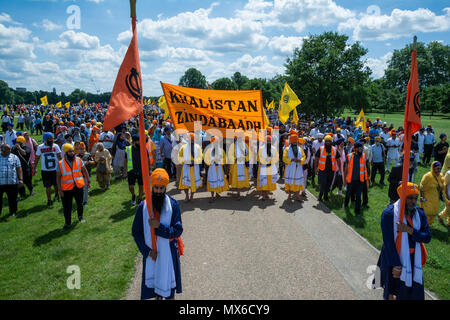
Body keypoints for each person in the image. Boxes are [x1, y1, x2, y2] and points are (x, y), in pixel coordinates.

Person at [131, 168, 183, 300]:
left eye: (162, 188)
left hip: (169, 253)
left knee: (169, 290)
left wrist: (159, 227)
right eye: (156, 187)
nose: (159, 191)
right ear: (152, 186)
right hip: (151, 253)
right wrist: (147, 251)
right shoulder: (143, 207)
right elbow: (136, 232)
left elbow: (178, 230)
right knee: (155, 291)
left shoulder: (173, 205)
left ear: (165, 187)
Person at [376, 182, 431, 300]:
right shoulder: (389, 214)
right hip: (393, 258)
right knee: (391, 292)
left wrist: (409, 230)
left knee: (412, 294)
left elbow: (427, 237)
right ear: (402, 197)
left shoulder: (420, 214)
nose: (413, 201)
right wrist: (396, 265)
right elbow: (388, 243)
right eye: (410, 198)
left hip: (413, 259)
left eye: (415, 198)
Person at [57, 144, 90, 232]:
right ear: (65, 153)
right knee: (67, 207)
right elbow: (58, 177)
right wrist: (60, 190)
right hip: (66, 189)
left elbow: (84, 170)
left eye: (72, 151)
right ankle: (67, 223)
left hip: (78, 186)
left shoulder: (79, 160)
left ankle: (80, 216)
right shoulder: (61, 163)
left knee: (80, 203)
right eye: (70, 152)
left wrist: (88, 180)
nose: (72, 153)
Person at [35, 132, 62, 206]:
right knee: (48, 186)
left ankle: (56, 195)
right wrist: (34, 168)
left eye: (52, 138)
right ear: (46, 139)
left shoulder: (54, 146)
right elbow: (37, 158)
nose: (52, 140)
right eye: (50, 139)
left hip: (55, 169)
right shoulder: (41, 147)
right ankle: (49, 199)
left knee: (56, 184)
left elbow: (60, 157)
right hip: (46, 170)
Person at [344, 141, 368, 216]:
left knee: (358, 196)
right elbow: (346, 168)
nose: (362, 149)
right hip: (350, 180)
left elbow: (364, 167)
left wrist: (365, 178)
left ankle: (357, 211)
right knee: (348, 194)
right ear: (356, 149)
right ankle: (345, 205)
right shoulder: (349, 156)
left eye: (362, 148)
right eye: (361, 148)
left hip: (360, 180)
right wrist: (344, 179)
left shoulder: (363, 156)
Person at [125, 134, 149, 206]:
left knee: (141, 185)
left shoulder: (144, 148)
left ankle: (140, 199)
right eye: (139, 141)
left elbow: (147, 159)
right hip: (131, 170)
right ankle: (133, 195)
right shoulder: (128, 149)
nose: (140, 142)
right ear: (134, 141)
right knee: (131, 186)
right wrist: (124, 171)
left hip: (141, 170)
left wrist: (148, 169)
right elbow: (125, 160)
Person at [178, 133, 203, 202]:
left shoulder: (198, 147)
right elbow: (179, 157)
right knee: (185, 183)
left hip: (194, 167)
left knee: (194, 183)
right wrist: (185, 161)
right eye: (190, 139)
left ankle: (192, 196)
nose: (191, 141)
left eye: (192, 139)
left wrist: (194, 161)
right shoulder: (183, 147)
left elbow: (200, 157)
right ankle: (186, 196)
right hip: (186, 167)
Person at [314, 135, 340, 202]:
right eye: (326, 141)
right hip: (322, 170)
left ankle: (325, 196)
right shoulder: (321, 148)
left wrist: (339, 168)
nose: (328, 142)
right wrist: (315, 168)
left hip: (331, 170)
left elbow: (338, 159)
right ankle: (320, 196)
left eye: (329, 141)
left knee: (328, 184)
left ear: (331, 142)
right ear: (324, 142)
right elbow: (316, 158)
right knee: (323, 183)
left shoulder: (334, 149)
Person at [0, 144, 23, 217]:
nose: (10, 150)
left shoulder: (14, 157)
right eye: (8, 149)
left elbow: (19, 169)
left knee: (13, 199)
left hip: (12, 182)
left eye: (10, 149)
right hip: (0, 183)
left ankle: (13, 211)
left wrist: (21, 179)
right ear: (2, 150)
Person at [204, 136, 228, 203]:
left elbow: (224, 159)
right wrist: (212, 162)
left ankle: (217, 194)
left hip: (219, 168)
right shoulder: (208, 151)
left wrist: (220, 161)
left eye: (217, 142)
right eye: (214, 142)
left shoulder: (221, 150)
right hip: (212, 168)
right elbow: (206, 159)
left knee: (218, 181)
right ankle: (212, 196)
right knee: (212, 181)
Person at [419, 161, 444, 225]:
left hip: (436, 200)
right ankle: (423, 226)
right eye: (437, 168)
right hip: (427, 198)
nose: (439, 170)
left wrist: (441, 188)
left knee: (434, 212)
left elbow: (443, 185)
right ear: (433, 168)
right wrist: (422, 197)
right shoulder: (427, 176)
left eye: (440, 168)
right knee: (427, 213)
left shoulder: (440, 176)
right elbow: (421, 187)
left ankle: (428, 226)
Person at [228, 130, 250, 200]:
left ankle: (239, 193)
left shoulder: (245, 145)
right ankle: (238, 193)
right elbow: (230, 155)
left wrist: (244, 158)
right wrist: (235, 159)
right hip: (236, 165)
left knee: (241, 179)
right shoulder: (233, 145)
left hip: (243, 165)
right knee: (236, 179)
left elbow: (249, 154)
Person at [283, 134, 305, 202]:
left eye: (296, 141)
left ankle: (297, 196)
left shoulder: (300, 149)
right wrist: (291, 160)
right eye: (294, 141)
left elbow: (304, 156)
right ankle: (289, 195)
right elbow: (284, 158)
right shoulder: (287, 149)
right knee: (289, 182)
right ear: (291, 142)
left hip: (298, 168)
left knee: (298, 182)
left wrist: (300, 160)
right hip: (290, 168)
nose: (295, 143)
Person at [256, 135, 279, 200]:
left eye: (269, 141)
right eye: (267, 141)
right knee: (264, 181)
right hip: (263, 167)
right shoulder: (261, 149)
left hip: (271, 167)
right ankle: (263, 194)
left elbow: (276, 157)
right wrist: (265, 160)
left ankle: (266, 193)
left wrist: (270, 160)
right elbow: (258, 158)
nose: (268, 142)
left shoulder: (274, 148)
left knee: (269, 181)